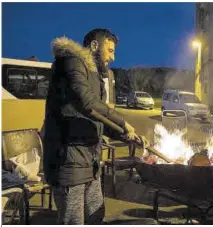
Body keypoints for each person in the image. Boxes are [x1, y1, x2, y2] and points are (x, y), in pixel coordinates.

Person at [43, 28, 148, 225]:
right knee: (73, 221)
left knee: (95, 217)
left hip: (90, 163)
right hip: (68, 161)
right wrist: (123, 122)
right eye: (110, 50)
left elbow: (98, 120)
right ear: (94, 45)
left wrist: (126, 135)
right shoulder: (70, 63)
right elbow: (87, 103)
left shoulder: (96, 76)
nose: (113, 57)